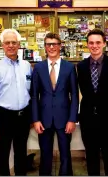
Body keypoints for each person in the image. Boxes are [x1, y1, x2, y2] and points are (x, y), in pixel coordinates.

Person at [77, 29, 108, 176]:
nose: (94, 45)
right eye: (91, 43)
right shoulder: (81, 66)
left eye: (98, 42)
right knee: (92, 161)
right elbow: (85, 93)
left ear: (104, 44)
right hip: (88, 121)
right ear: (87, 45)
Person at [31, 32, 79, 176]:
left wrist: (72, 119)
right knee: (45, 155)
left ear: (60, 46)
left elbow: (75, 94)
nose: (51, 47)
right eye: (48, 44)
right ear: (45, 47)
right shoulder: (38, 68)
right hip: (44, 119)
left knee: (65, 154)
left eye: (55, 44)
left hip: (64, 119)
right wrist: (35, 119)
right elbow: (34, 95)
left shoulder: (69, 67)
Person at [0, 29, 32, 176]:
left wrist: (31, 116)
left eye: (14, 42)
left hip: (23, 117)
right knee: (2, 155)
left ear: (19, 44)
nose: (11, 45)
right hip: (4, 117)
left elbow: (30, 93)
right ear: (2, 45)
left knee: (21, 153)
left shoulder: (27, 66)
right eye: (7, 43)